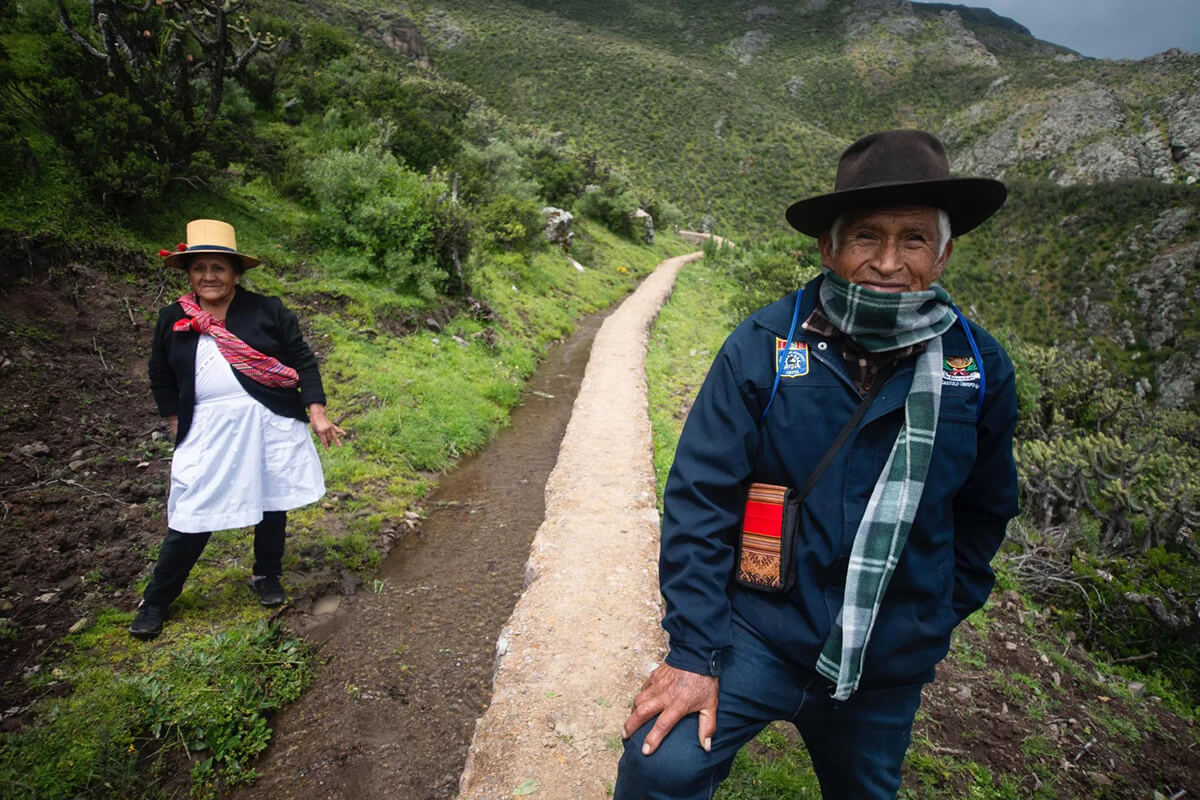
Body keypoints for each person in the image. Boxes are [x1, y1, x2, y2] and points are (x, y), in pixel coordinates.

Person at [615, 130, 1019, 799]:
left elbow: (985, 508)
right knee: (661, 767)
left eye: (913, 239)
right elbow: (699, 498)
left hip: (888, 661)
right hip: (758, 633)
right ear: (829, 247)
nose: (889, 262)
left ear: (944, 253)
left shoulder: (975, 367)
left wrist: (937, 612)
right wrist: (694, 653)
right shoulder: (767, 345)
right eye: (866, 236)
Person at [129, 219, 345, 640]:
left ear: (235, 273)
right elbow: (160, 375)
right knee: (193, 509)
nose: (208, 276)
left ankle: (266, 574)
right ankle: (156, 599)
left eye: (218, 268)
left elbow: (304, 362)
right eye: (199, 268)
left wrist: (316, 412)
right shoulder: (172, 318)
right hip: (207, 428)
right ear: (188, 274)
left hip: (269, 419)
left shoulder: (268, 310)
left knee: (270, 497)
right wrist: (177, 421)